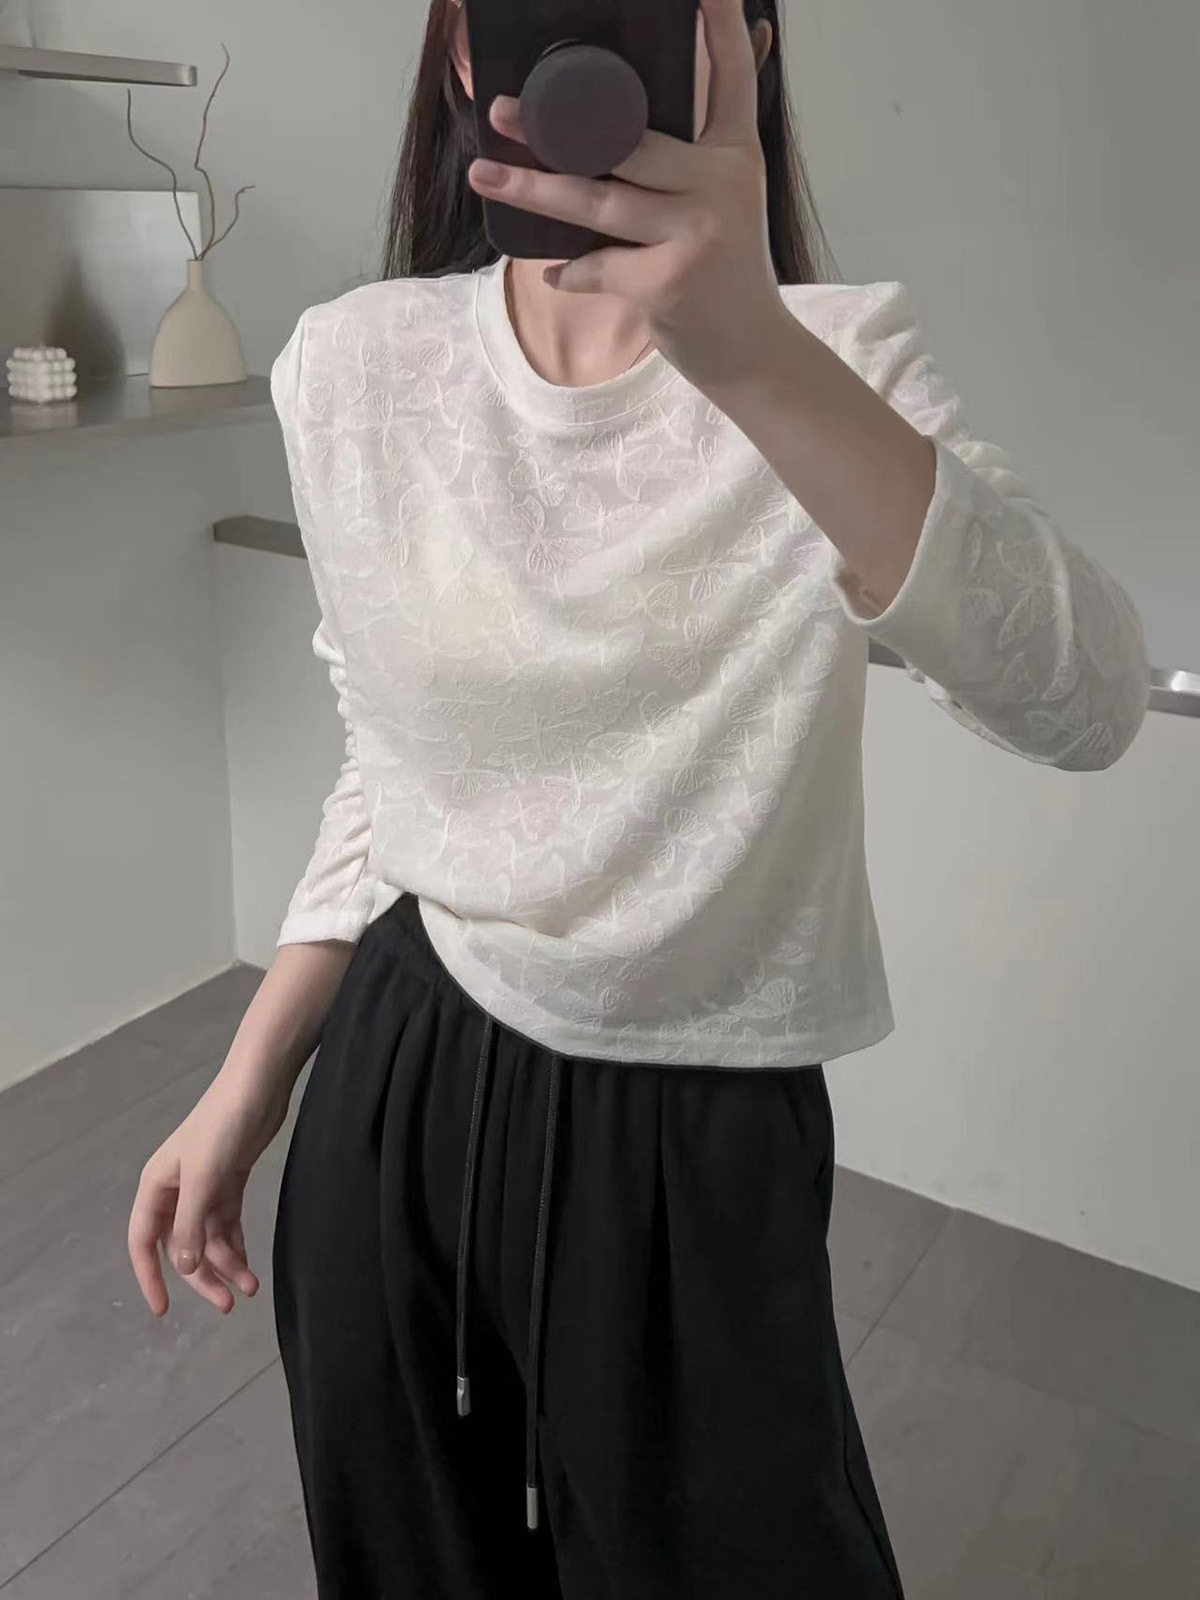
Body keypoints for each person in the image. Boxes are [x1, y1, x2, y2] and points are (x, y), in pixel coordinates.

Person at [127, 1, 1152, 1595]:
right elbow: (387, 765)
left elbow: (1088, 704)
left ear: (743, 40)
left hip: (703, 1140)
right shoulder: (353, 364)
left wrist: (752, 354)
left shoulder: (838, 362)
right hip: (399, 1092)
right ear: (465, 53)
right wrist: (249, 1081)